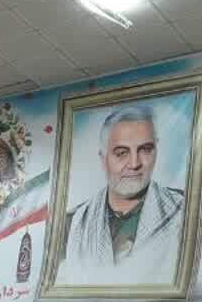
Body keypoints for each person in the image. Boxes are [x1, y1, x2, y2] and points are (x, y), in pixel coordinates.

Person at [56, 105, 186, 285]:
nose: (134, 164)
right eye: (121, 153)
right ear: (103, 159)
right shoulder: (72, 225)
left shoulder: (184, 210)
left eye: (145, 149)